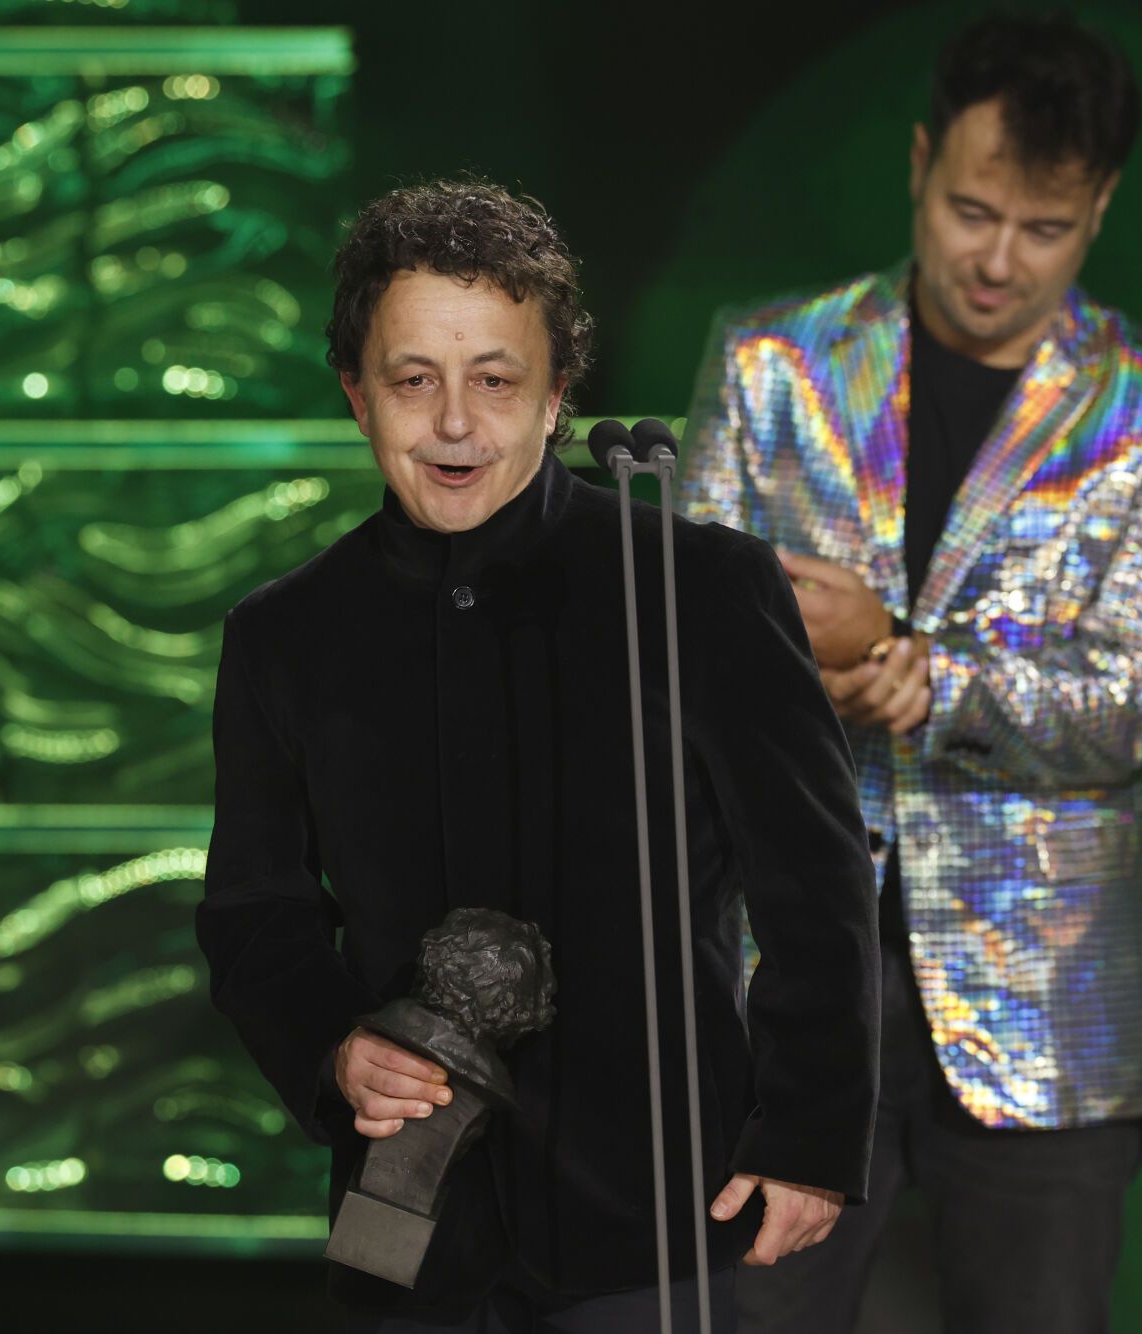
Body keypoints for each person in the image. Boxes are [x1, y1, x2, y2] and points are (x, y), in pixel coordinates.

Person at [195, 178, 881, 1333]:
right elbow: (255, 909)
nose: (454, 423)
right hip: (408, 1226)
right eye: (413, 380)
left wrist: (808, 1137)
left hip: (653, 1217)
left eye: (495, 380)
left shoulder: (700, 589)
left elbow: (813, 883)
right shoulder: (284, 635)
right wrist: (336, 1047)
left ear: (558, 393)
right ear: (355, 395)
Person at [679, 14, 1142, 1332]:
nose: (995, 259)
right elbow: (680, 646)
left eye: (1042, 229)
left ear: (1100, 206)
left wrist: (930, 675)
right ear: (920, 162)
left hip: (1047, 1006)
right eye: (971, 209)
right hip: (789, 979)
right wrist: (792, 678)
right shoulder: (773, 363)